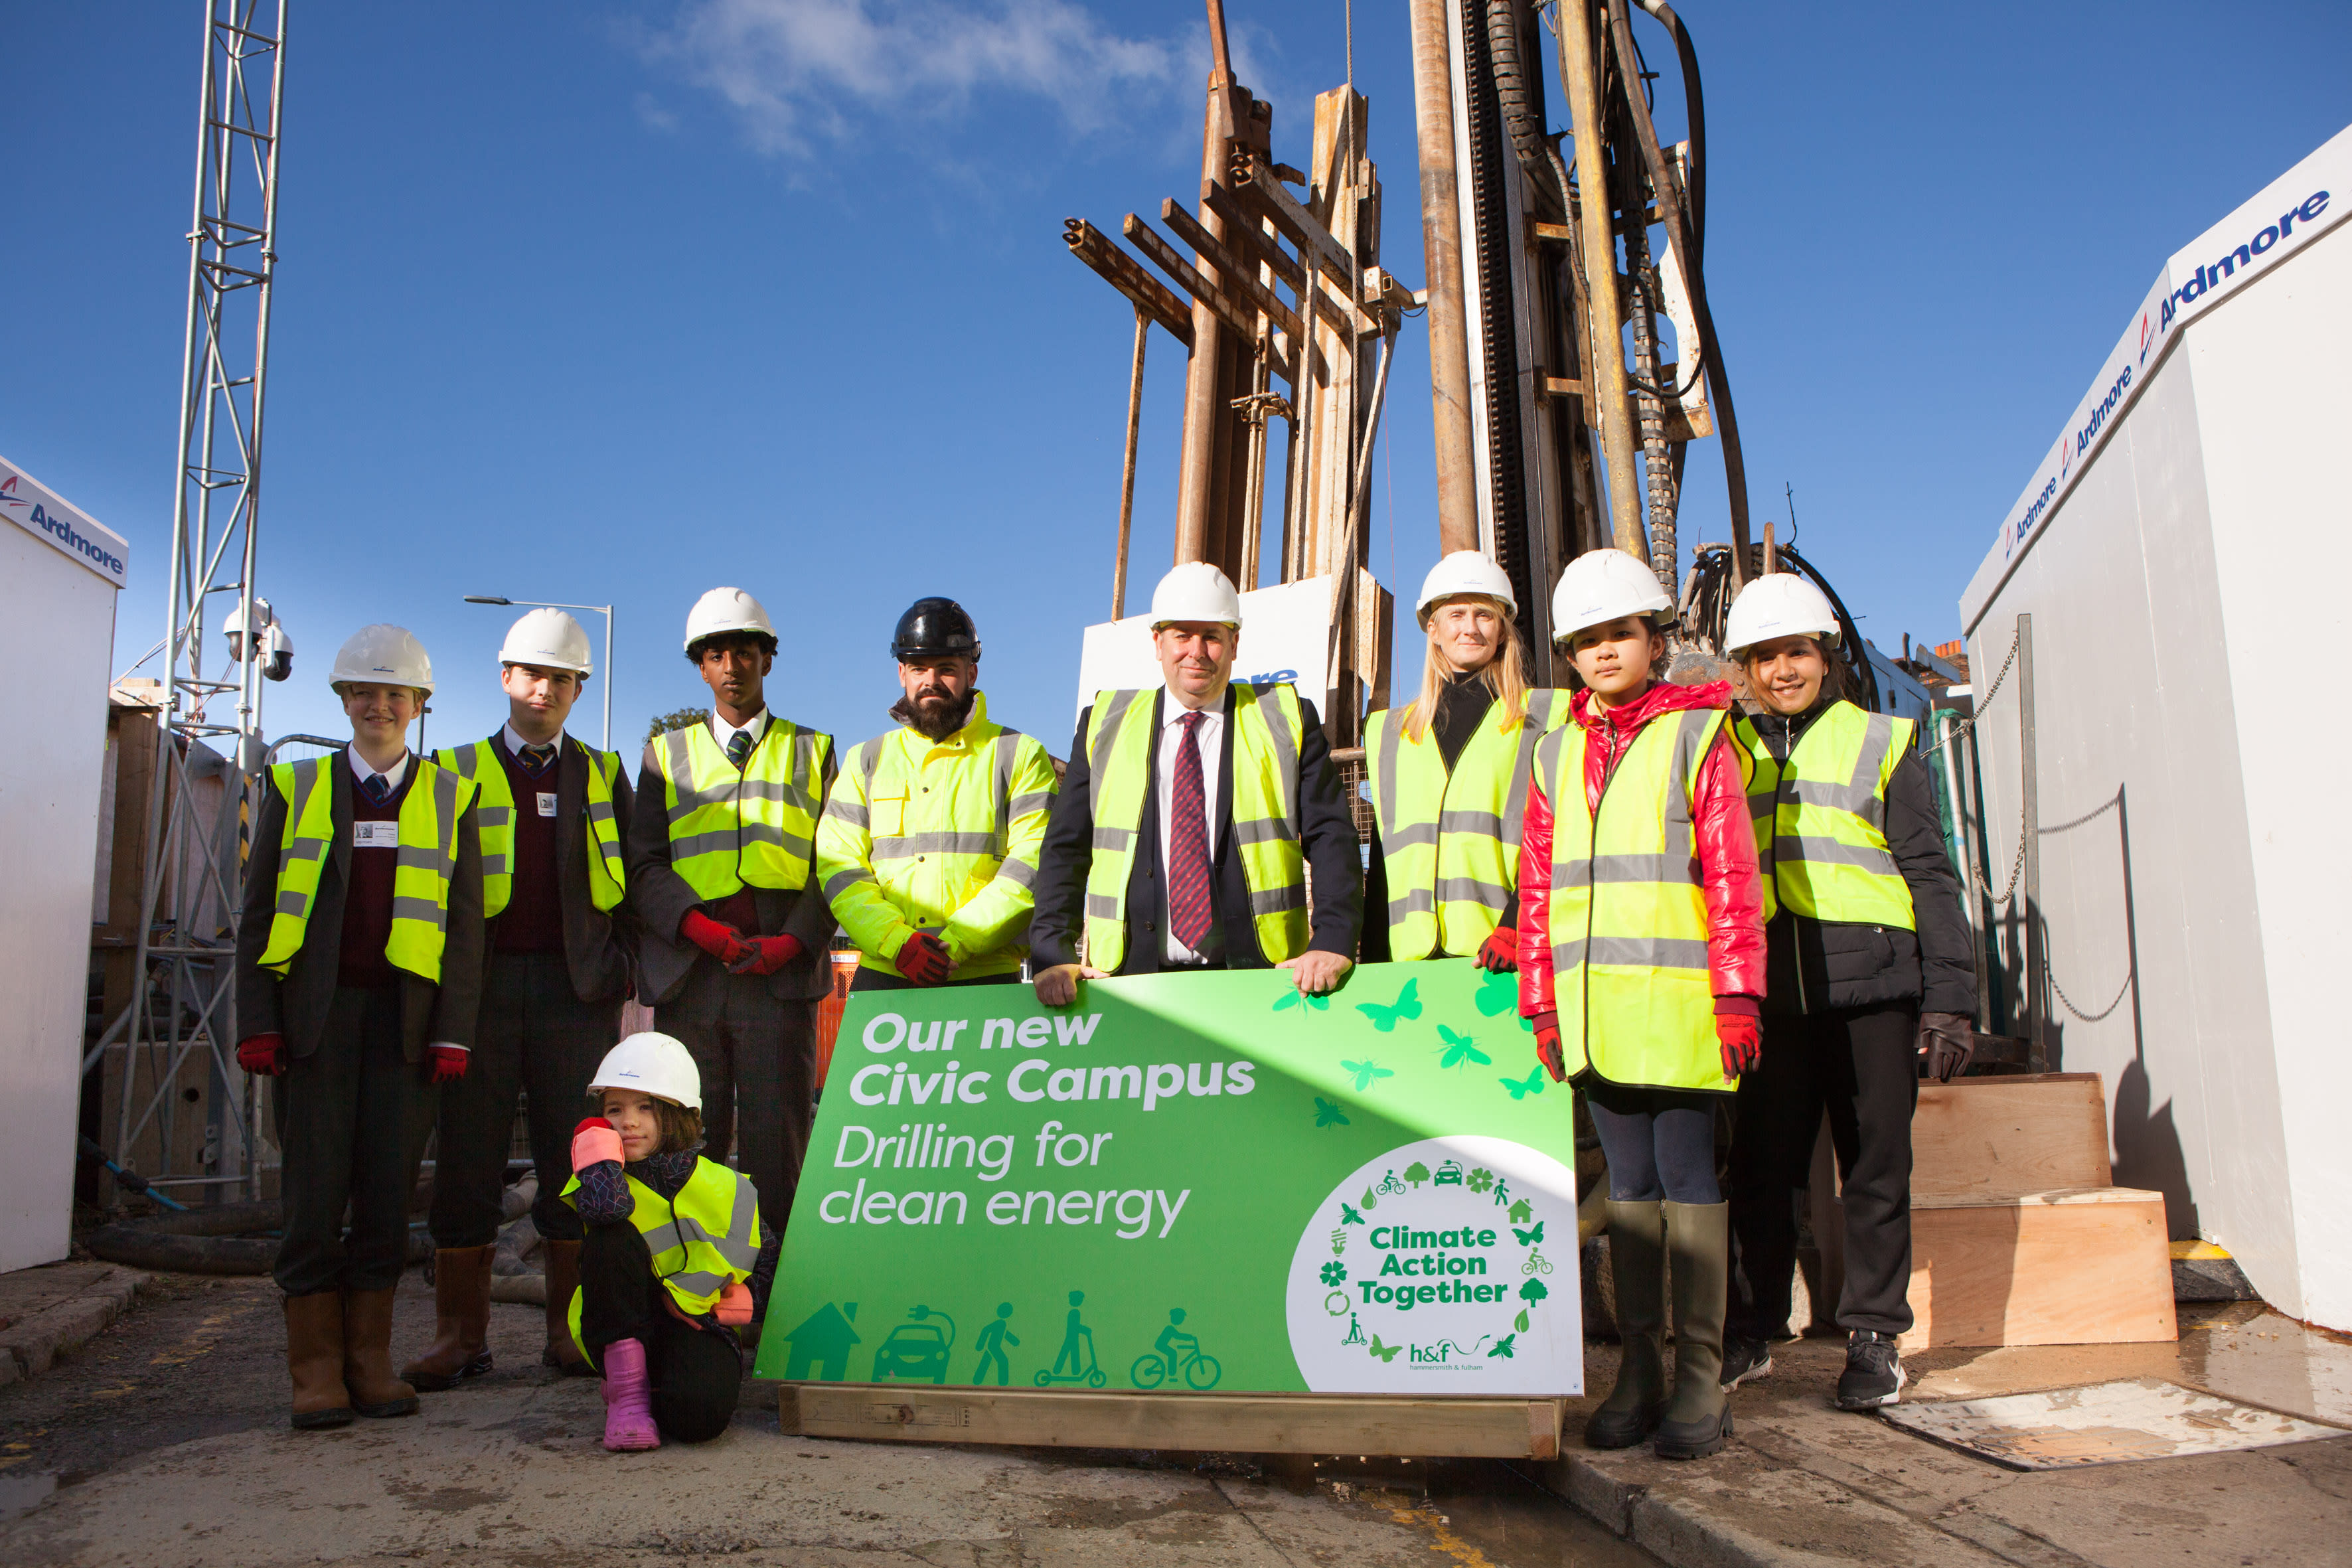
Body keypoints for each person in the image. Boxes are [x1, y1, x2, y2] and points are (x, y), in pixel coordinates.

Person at [1516, 550, 1764, 1460]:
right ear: (1567, 657)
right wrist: (1542, 1006)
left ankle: (1700, 1376)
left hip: (1682, 1007)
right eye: (1584, 641)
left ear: (1653, 641)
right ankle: (1640, 1371)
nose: (1602, 651)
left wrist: (1738, 994)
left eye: (1618, 632)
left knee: (1684, 1182)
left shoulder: (1699, 737)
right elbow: (1536, 887)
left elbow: (1734, 876)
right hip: (1593, 1014)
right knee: (1627, 1193)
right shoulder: (1554, 751)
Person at [1717, 572, 1977, 1410]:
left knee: (1873, 1170)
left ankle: (1873, 1337)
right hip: (1771, 993)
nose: (1781, 669)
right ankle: (1754, 1330)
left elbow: (1930, 871)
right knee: (1762, 1171)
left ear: (1825, 657)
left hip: (1872, 987)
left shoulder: (1885, 739)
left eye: (1796, 651)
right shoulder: (1727, 746)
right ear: (1745, 668)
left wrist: (1951, 999)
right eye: (1764, 656)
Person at [233, 625, 486, 1430]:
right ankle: (314, 1373)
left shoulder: (452, 796)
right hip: (316, 1019)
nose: (380, 705)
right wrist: (259, 1022)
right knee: (313, 1195)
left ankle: (369, 1362)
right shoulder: (296, 785)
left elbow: (466, 927)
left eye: (395, 694)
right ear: (343, 700)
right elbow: (256, 915)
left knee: (384, 1191)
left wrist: (454, 1032)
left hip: (406, 1028)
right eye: (365, 692)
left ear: (419, 705)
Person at [406, 609, 637, 1389]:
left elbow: (633, 884)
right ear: (506, 679)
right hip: (481, 994)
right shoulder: (451, 768)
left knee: (574, 1165)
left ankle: (569, 1335)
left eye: (562, 678)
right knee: (467, 1163)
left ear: (579, 689)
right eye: (532, 673)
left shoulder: (604, 774)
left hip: (576, 997)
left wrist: (621, 970)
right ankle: (459, 1338)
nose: (545, 689)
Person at [1030, 562, 1361, 1002]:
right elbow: (1065, 847)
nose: (1196, 651)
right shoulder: (1104, 724)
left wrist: (1333, 940)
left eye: (1212, 637)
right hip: (1130, 980)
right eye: (1182, 636)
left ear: (1234, 643)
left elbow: (1330, 835)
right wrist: (1052, 950)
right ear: (1157, 642)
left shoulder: (1286, 718)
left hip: (1260, 978)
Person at [627, 588, 835, 1256]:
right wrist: (697, 928)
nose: (731, 666)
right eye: (716, 654)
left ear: (767, 659)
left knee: (779, 1148)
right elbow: (644, 864)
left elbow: (834, 865)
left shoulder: (815, 750)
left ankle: (774, 1296)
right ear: (700, 667)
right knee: (689, 1143)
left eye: (744, 651)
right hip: (694, 974)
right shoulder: (666, 754)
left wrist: (792, 941)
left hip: (779, 977)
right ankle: (695, 1292)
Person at [815, 597, 1057, 992]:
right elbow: (839, 867)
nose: (931, 680)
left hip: (986, 977)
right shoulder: (866, 760)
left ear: (971, 672)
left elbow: (1032, 864)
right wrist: (898, 943)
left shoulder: (1019, 754)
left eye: (947, 669)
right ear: (901, 673)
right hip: (887, 972)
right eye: (918, 668)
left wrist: (958, 942)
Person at [562, 1032, 772, 1450]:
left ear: (679, 1114)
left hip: (700, 1324)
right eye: (614, 1110)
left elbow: (768, 1253)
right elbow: (607, 1213)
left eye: (645, 1108)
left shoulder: (726, 1185)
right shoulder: (603, 1181)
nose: (629, 1122)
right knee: (610, 1236)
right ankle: (627, 1395)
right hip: (621, 1325)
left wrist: (754, 1296)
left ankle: (655, 1389)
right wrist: (599, 1157)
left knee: (699, 1423)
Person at [1362, 551, 1569, 969]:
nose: (1470, 628)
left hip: (1505, 954)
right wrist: (1372, 961)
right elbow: (1384, 862)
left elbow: (1560, 841)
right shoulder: (1388, 732)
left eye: (1484, 615)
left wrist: (1516, 928)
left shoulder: (1547, 717)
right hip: (1408, 962)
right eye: (1456, 615)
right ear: (1434, 630)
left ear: (1503, 631)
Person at [973, 1302, 1019, 1386]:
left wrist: (1014, 1341)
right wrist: (980, 1345)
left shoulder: (1002, 1323)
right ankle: (1003, 1383)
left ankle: (977, 1381)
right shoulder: (999, 1323)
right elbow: (985, 1330)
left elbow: (1004, 1334)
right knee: (1003, 1361)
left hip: (993, 1347)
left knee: (986, 1361)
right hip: (993, 1347)